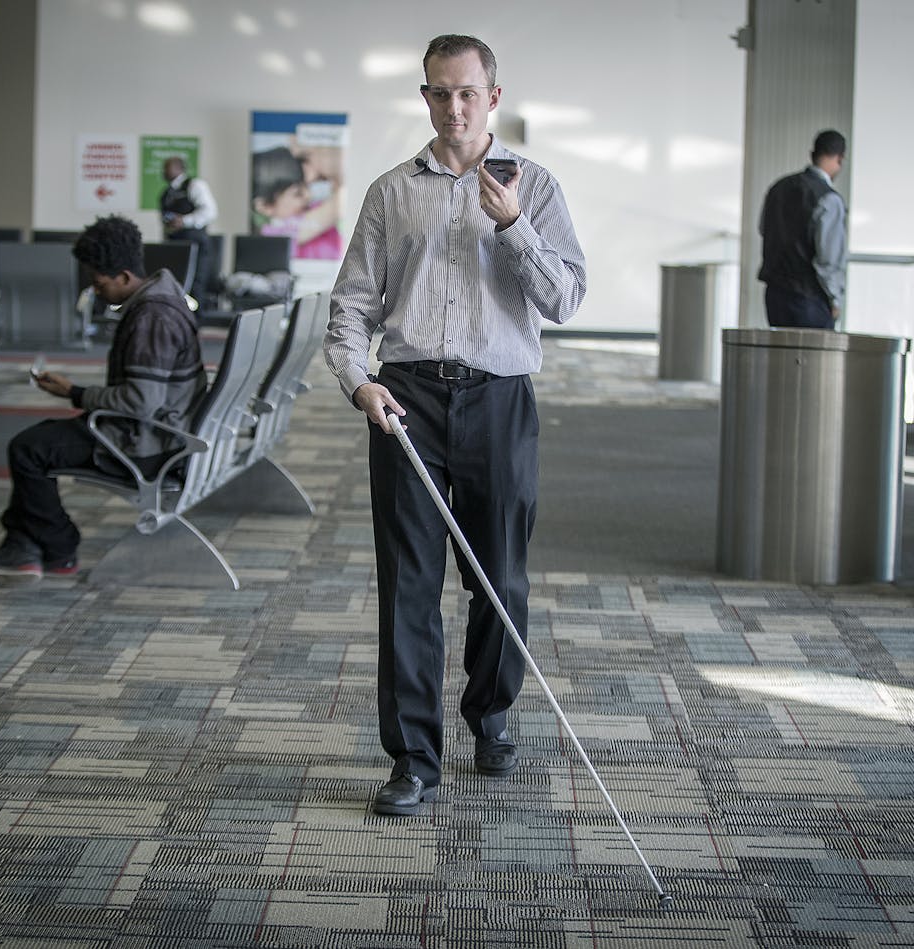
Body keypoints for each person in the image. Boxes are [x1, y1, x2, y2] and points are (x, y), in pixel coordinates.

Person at [324, 34, 587, 816]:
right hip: (406, 399)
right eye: (439, 92)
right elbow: (350, 306)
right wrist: (359, 381)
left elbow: (565, 299)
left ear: (494, 98)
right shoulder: (390, 192)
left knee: (499, 578)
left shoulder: (534, 187)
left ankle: (492, 709)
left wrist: (512, 226)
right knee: (407, 584)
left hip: (500, 397)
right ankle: (412, 757)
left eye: (468, 92)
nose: (454, 107)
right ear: (426, 96)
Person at [0, 215, 207, 584]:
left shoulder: (151, 318)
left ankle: (56, 548)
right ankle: (24, 545)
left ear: (124, 276)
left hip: (146, 442)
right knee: (40, 439)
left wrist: (74, 393)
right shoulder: (163, 298)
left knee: (29, 449)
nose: (96, 291)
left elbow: (140, 402)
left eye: (99, 282)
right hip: (164, 430)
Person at [757, 129, 848, 329]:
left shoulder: (778, 188)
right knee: (814, 359)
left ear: (813, 154)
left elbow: (763, 229)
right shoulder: (829, 199)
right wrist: (835, 300)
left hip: (775, 296)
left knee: (781, 357)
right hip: (809, 300)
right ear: (839, 158)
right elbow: (828, 260)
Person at [252, 146, 342, 260]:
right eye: (298, 193)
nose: (308, 196)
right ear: (265, 206)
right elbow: (339, 204)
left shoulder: (311, 209)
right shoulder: (273, 234)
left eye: (306, 187)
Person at [159, 156, 219, 309]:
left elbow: (210, 211)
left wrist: (184, 221)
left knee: (195, 285)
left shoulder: (195, 185)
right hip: (174, 244)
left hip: (195, 244)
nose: (163, 171)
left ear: (179, 168)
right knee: (175, 284)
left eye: (167, 167)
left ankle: (196, 324)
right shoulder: (166, 193)